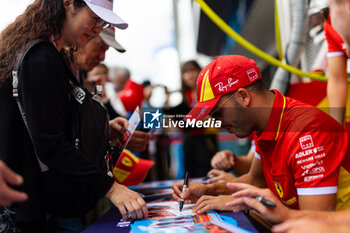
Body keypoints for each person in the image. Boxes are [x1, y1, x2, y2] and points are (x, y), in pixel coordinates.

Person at [0, 0, 147, 231]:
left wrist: (104, 128)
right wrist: (111, 188)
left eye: (103, 22)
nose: (98, 29)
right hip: (22, 208)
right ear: (68, 3)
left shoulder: (42, 52)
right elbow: (50, 143)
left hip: (26, 202)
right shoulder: (40, 56)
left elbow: (47, 125)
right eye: (96, 18)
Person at [172, 55, 348, 215]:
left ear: (243, 97)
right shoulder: (266, 122)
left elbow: (317, 222)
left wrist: (242, 201)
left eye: (218, 112)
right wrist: (209, 190)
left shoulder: (307, 132)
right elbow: (255, 179)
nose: (218, 122)